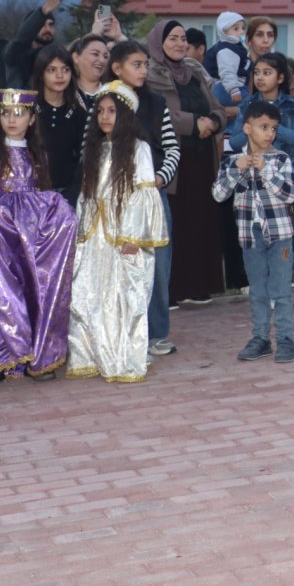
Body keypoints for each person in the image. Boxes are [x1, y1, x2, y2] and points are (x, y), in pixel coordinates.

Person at [0, 88, 78, 389]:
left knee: (35, 288)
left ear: (31, 117)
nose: (12, 120)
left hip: (30, 239)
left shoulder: (37, 152)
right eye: (5, 113)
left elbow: (39, 192)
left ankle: (37, 354)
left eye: (19, 113)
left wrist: (55, 213)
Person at [66, 82, 167, 383]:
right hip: (94, 237)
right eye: (101, 112)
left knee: (123, 298)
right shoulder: (95, 150)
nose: (105, 117)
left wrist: (133, 237)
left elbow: (143, 196)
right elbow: (86, 196)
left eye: (112, 112)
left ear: (125, 116)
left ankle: (123, 357)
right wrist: (81, 234)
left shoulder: (139, 150)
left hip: (123, 237)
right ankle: (88, 354)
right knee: (88, 295)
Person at [225, 53, 294, 308]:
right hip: (252, 179)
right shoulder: (248, 105)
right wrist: (251, 129)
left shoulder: (292, 105)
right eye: (256, 72)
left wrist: (272, 128)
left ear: (280, 77)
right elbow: (235, 141)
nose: (260, 77)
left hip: (283, 176)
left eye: (267, 73)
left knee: (289, 231)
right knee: (259, 232)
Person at [107, 40, 182, 358]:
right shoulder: (106, 103)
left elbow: (172, 147)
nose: (143, 70)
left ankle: (157, 332)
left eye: (145, 64)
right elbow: (91, 148)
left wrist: (161, 177)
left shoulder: (156, 102)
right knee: (119, 264)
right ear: (117, 69)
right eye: (136, 64)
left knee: (158, 266)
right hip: (116, 197)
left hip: (152, 196)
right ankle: (122, 332)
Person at [145, 20, 226, 306]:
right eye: (173, 39)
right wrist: (195, 123)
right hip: (174, 160)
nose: (180, 44)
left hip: (203, 157)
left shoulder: (194, 73)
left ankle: (199, 285)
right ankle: (173, 291)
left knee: (200, 221)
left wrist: (214, 121)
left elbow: (217, 107)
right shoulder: (151, 74)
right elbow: (159, 111)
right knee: (174, 223)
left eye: (183, 39)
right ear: (159, 42)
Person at [213, 99, 294, 363]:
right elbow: (218, 194)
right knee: (258, 290)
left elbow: (290, 194)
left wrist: (266, 172)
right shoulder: (232, 162)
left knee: (281, 290)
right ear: (247, 128)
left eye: (273, 128)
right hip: (251, 237)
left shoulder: (281, 159)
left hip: (280, 234)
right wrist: (236, 171)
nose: (269, 133)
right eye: (264, 127)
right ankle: (260, 338)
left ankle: (285, 339)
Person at [30, 44, 86, 203]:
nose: (60, 75)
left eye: (65, 69)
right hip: (31, 193)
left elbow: (84, 160)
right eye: (51, 70)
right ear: (41, 73)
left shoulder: (79, 113)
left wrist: (71, 195)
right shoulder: (29, 110)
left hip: (68, 195)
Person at [2, 0, 64, 87]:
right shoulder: (15, 54)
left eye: (51, 25)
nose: (47, 29)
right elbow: (21, 40)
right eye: (42, 25)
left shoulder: (56, 55)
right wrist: (43, 11)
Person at [205, 12, 250, 106]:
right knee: (248, 109)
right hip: (228, 89)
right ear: (224, 31)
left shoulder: (234, 46)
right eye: (236, 28)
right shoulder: (226, 50)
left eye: (243, 28)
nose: (241, 31)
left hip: (230, 86)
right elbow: (226, 71)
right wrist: (233, 90)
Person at [70, 33, 113, 107]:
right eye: (95, 54)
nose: (102, 60)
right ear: (76, 57)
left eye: (105, 56)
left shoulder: (113, 92)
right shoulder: (65, 92)